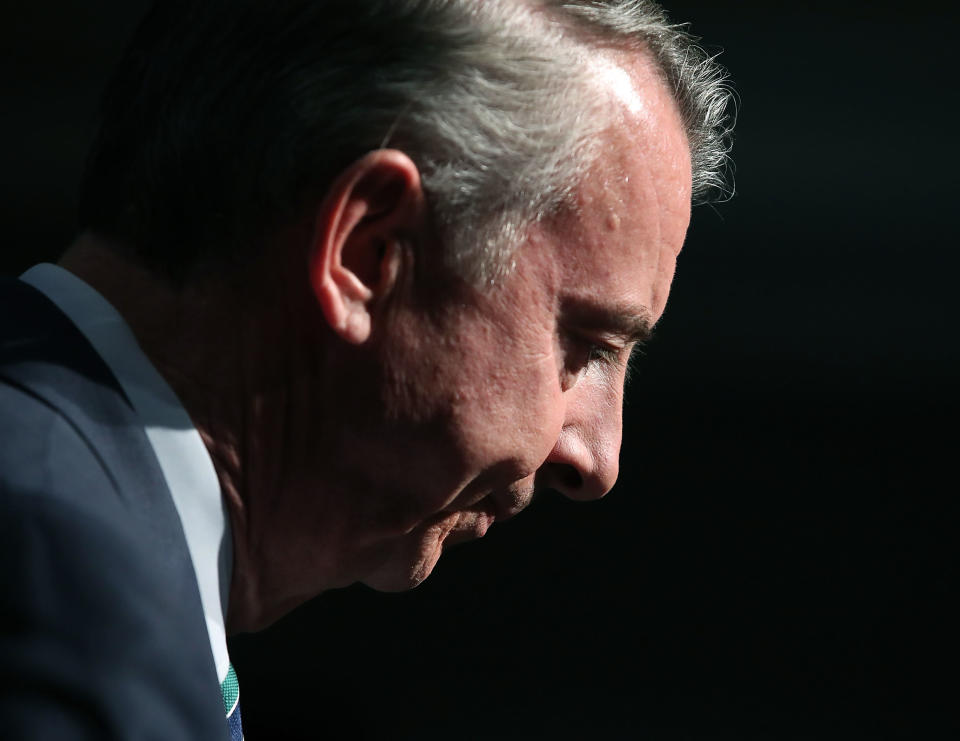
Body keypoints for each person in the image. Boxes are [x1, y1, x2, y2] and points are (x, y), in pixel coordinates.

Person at [0, 0, 732, 738]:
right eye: (585, 342)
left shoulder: (96, 553)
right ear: (366, 253)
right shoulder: (65, 587)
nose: (596, 459)